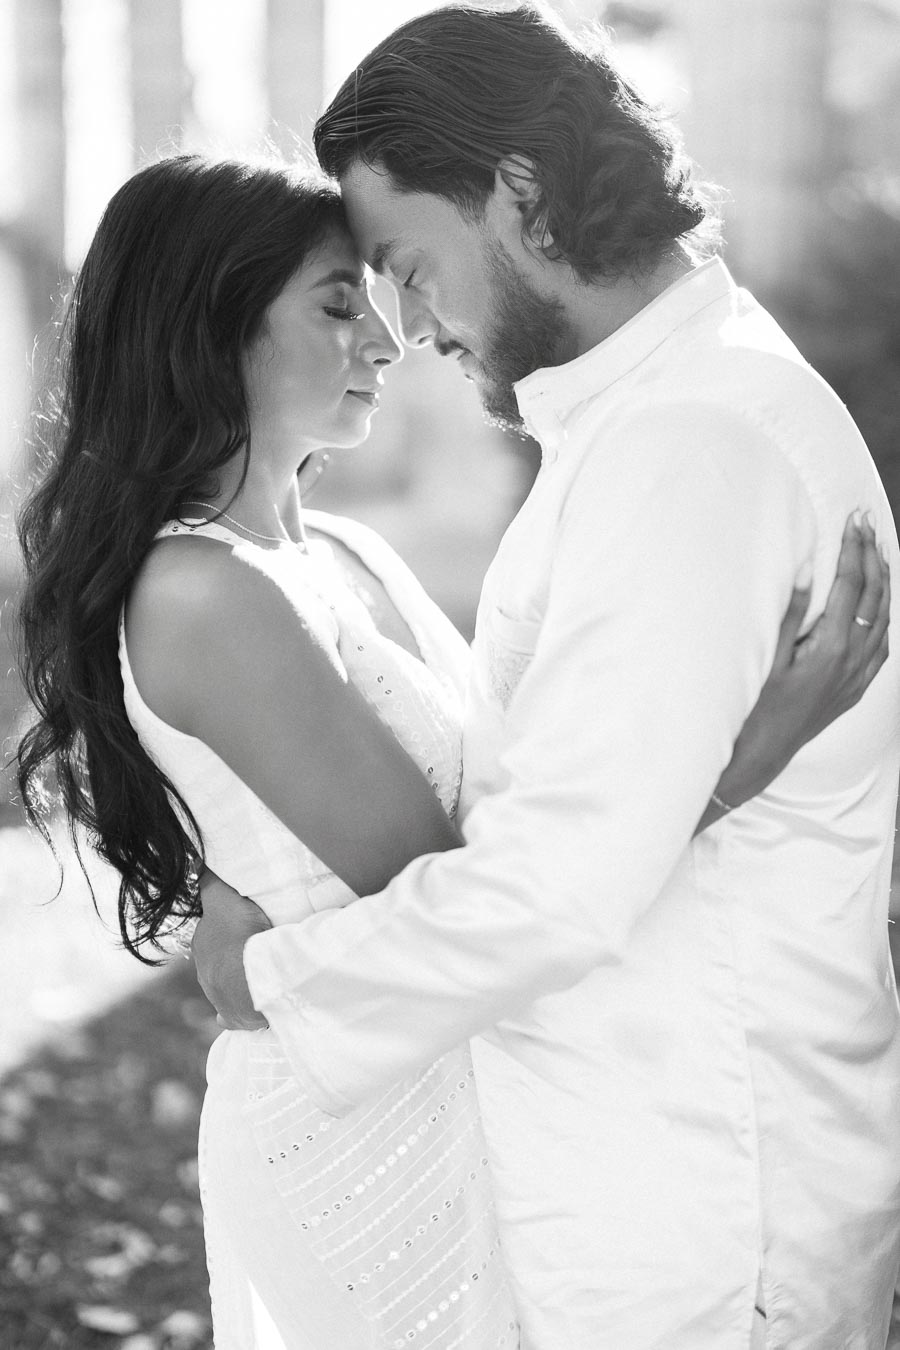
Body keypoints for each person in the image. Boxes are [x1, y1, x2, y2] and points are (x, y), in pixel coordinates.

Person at [14, 153, 870, 1350]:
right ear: (208, 329)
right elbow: (457, 881)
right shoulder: (200, 594)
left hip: (471, 1076)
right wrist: (743, 745)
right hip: (363, 1128)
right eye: (335, 304)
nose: (387, 336)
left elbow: (526, 788)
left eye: (377, 291)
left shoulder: (348, 555)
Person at [190, 6, 900, 1349]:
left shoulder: (687, 444)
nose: (403, 326)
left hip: (696, 1222)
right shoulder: (655, 417)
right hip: (662, 1182)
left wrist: (272, 984)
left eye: (405, 263)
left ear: (517, 192)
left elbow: (562, 872)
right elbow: (586, 806)